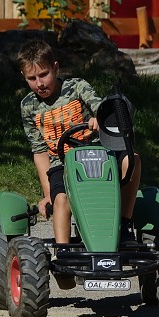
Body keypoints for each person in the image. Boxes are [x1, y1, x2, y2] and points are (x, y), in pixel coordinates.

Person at [17, 39, 142, 284]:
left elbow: (101, 108)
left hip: (96, 152)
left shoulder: (77, 87)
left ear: (55, 67)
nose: (40, 83)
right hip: (61, 164)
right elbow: (40, 151)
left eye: (44, 74)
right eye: (32, 79)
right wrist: (47, 194)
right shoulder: (28, 106)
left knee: (132, 159)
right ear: (24, 77)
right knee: (62, 199)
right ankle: (64, 257)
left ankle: (124, 228)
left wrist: (98, 118)